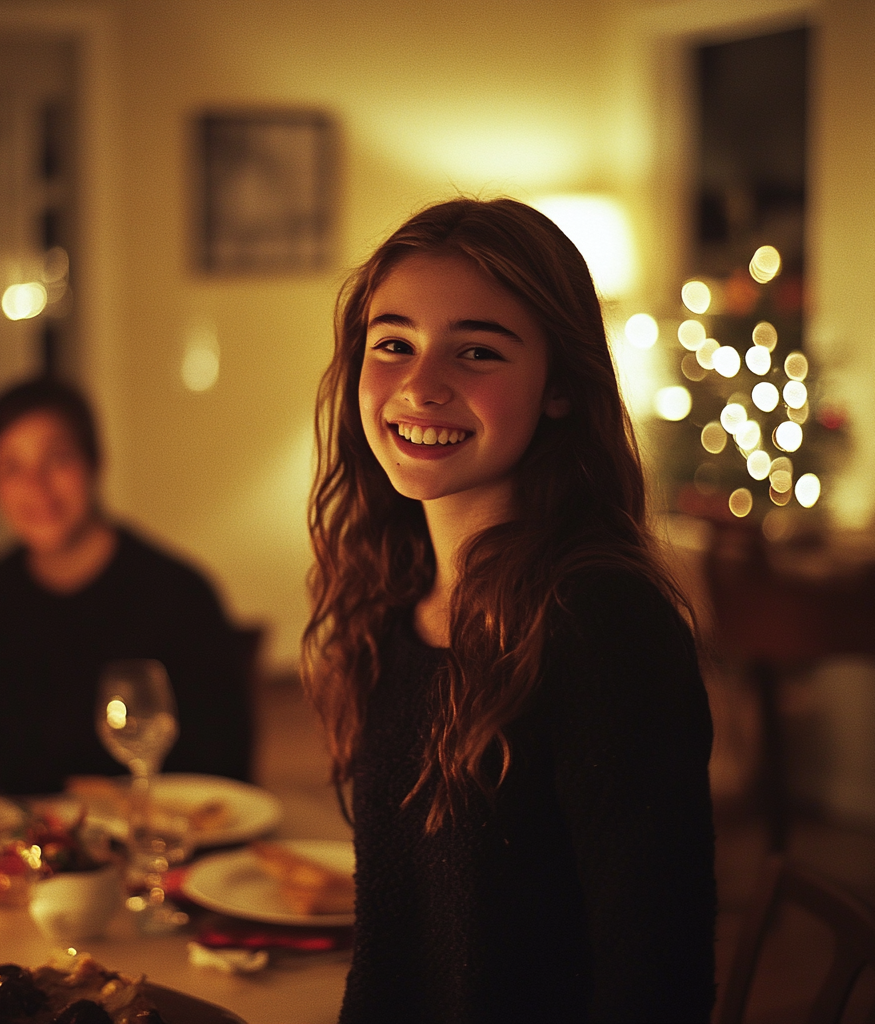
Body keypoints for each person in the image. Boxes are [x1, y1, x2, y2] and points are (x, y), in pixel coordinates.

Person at [302, 198, 716, 1023]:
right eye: (394, 344)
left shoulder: (601, 624)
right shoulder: (393, 594)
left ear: (560, 387)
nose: (421, 385)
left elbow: (657, 978)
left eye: (477, 351)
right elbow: (399, 942)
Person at [0, 377, 252, 795]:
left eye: (57, 459)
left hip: (163, 838)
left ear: (94, 462)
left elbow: (224, 768)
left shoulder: (178, 594)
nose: (36, 486)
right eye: (12, 467)